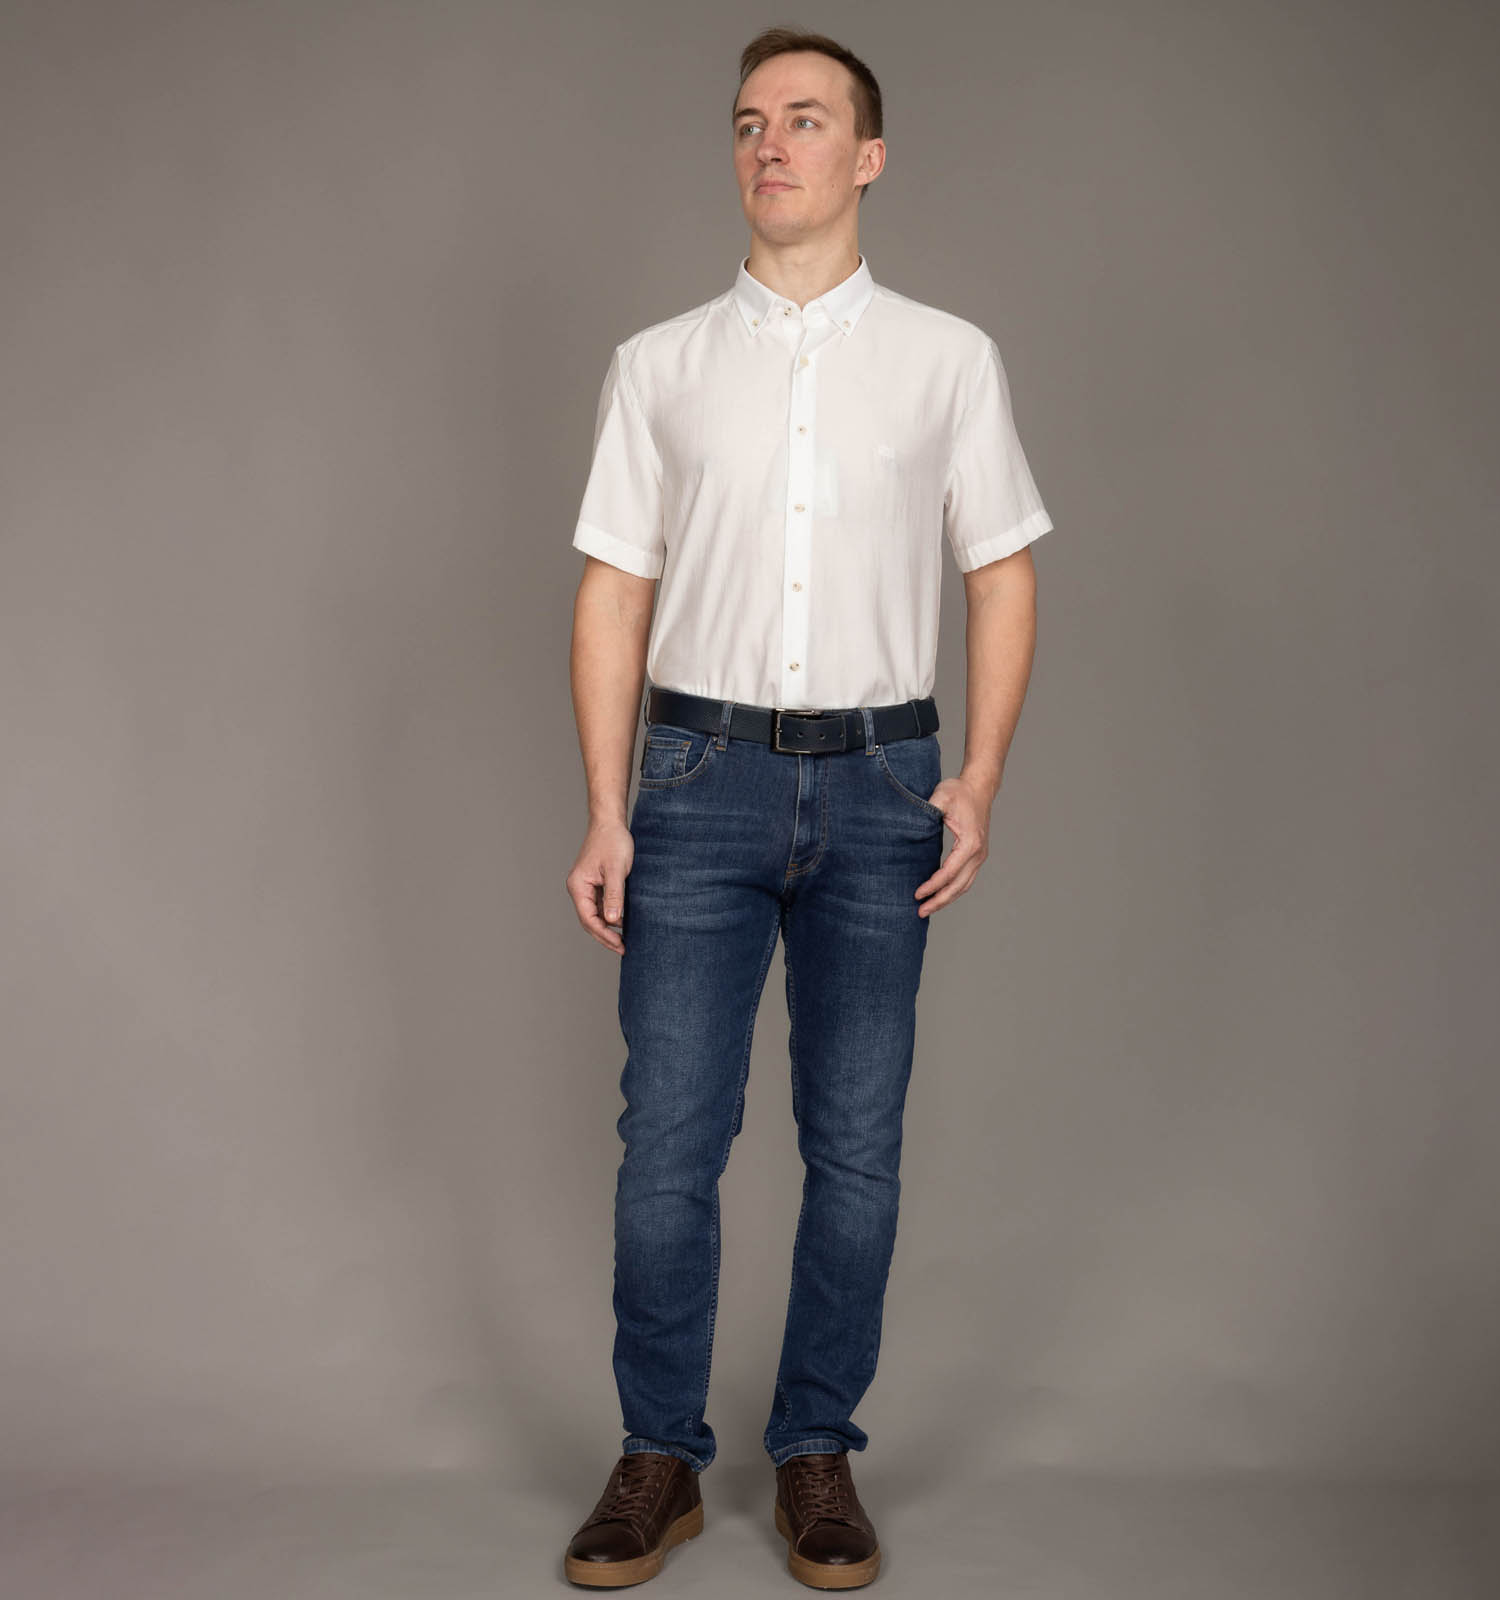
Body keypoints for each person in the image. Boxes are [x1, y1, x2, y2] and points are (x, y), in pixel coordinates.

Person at [561, 25, 1051, 1591]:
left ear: (870, 156)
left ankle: (818, 1451)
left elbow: (1001, 572)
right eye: (748, 122)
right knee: (667, 1142)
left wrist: (978, 777)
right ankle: (658, 1456)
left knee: (855, 1143)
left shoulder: (949, 359)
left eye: (807, 119)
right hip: (696, 782)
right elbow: (612, 593)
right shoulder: (657, 365)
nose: (771, 144)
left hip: (886, 781)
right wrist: (607, 808)